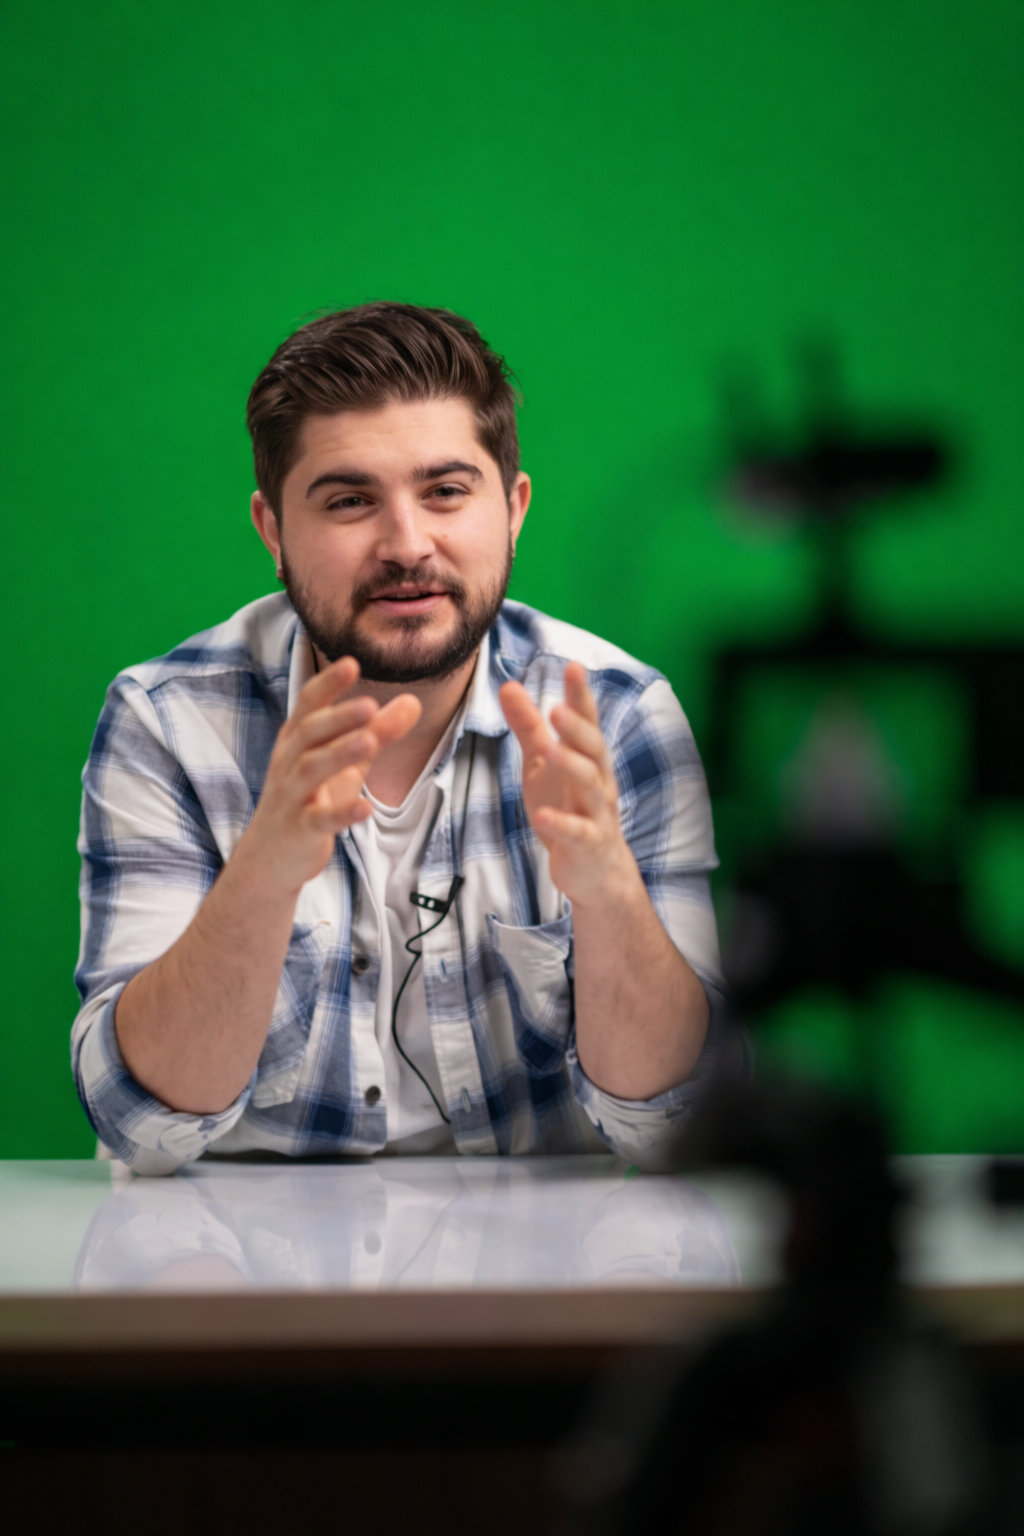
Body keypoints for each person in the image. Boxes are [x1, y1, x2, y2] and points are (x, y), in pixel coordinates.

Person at [72, 302, 734, 1175]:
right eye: (350, 501)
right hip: (238, 1277)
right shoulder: (168, 723)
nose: (406, 544)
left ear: (514, 509)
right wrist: (265, 870)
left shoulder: (616, 715)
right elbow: (141, 1122)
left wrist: (606, 887)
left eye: (446, 492)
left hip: (559, 1282)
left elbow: (677, 1124)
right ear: (274, 531)